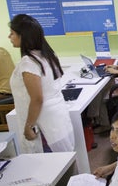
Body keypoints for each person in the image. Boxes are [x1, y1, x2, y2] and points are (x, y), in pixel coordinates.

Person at [8, 14, 74, 153]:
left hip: (43, 119)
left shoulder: (29, 62)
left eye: (12, 33)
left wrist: (28, 126)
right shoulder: (47, 54)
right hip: (56, 114)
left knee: (51, 163)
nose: (9, 37)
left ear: (23, 36)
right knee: (64, 156)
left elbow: (37, 98)